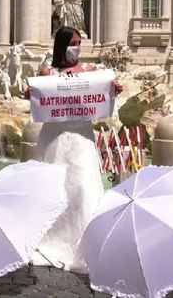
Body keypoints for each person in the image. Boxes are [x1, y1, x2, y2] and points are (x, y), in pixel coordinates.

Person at [29, 26, 122, 272]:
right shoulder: (46, 71)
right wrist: (30, 93)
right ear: (61, 44)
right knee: (55, 187)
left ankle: (87, 244)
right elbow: (37, 99)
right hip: (54, 136)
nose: (77, 47)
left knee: (83, 186)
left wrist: (114, 90)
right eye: (72, 42)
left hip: (81, 136)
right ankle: (50, 240)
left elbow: (104, 97)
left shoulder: (91, 72)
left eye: (79, 42)